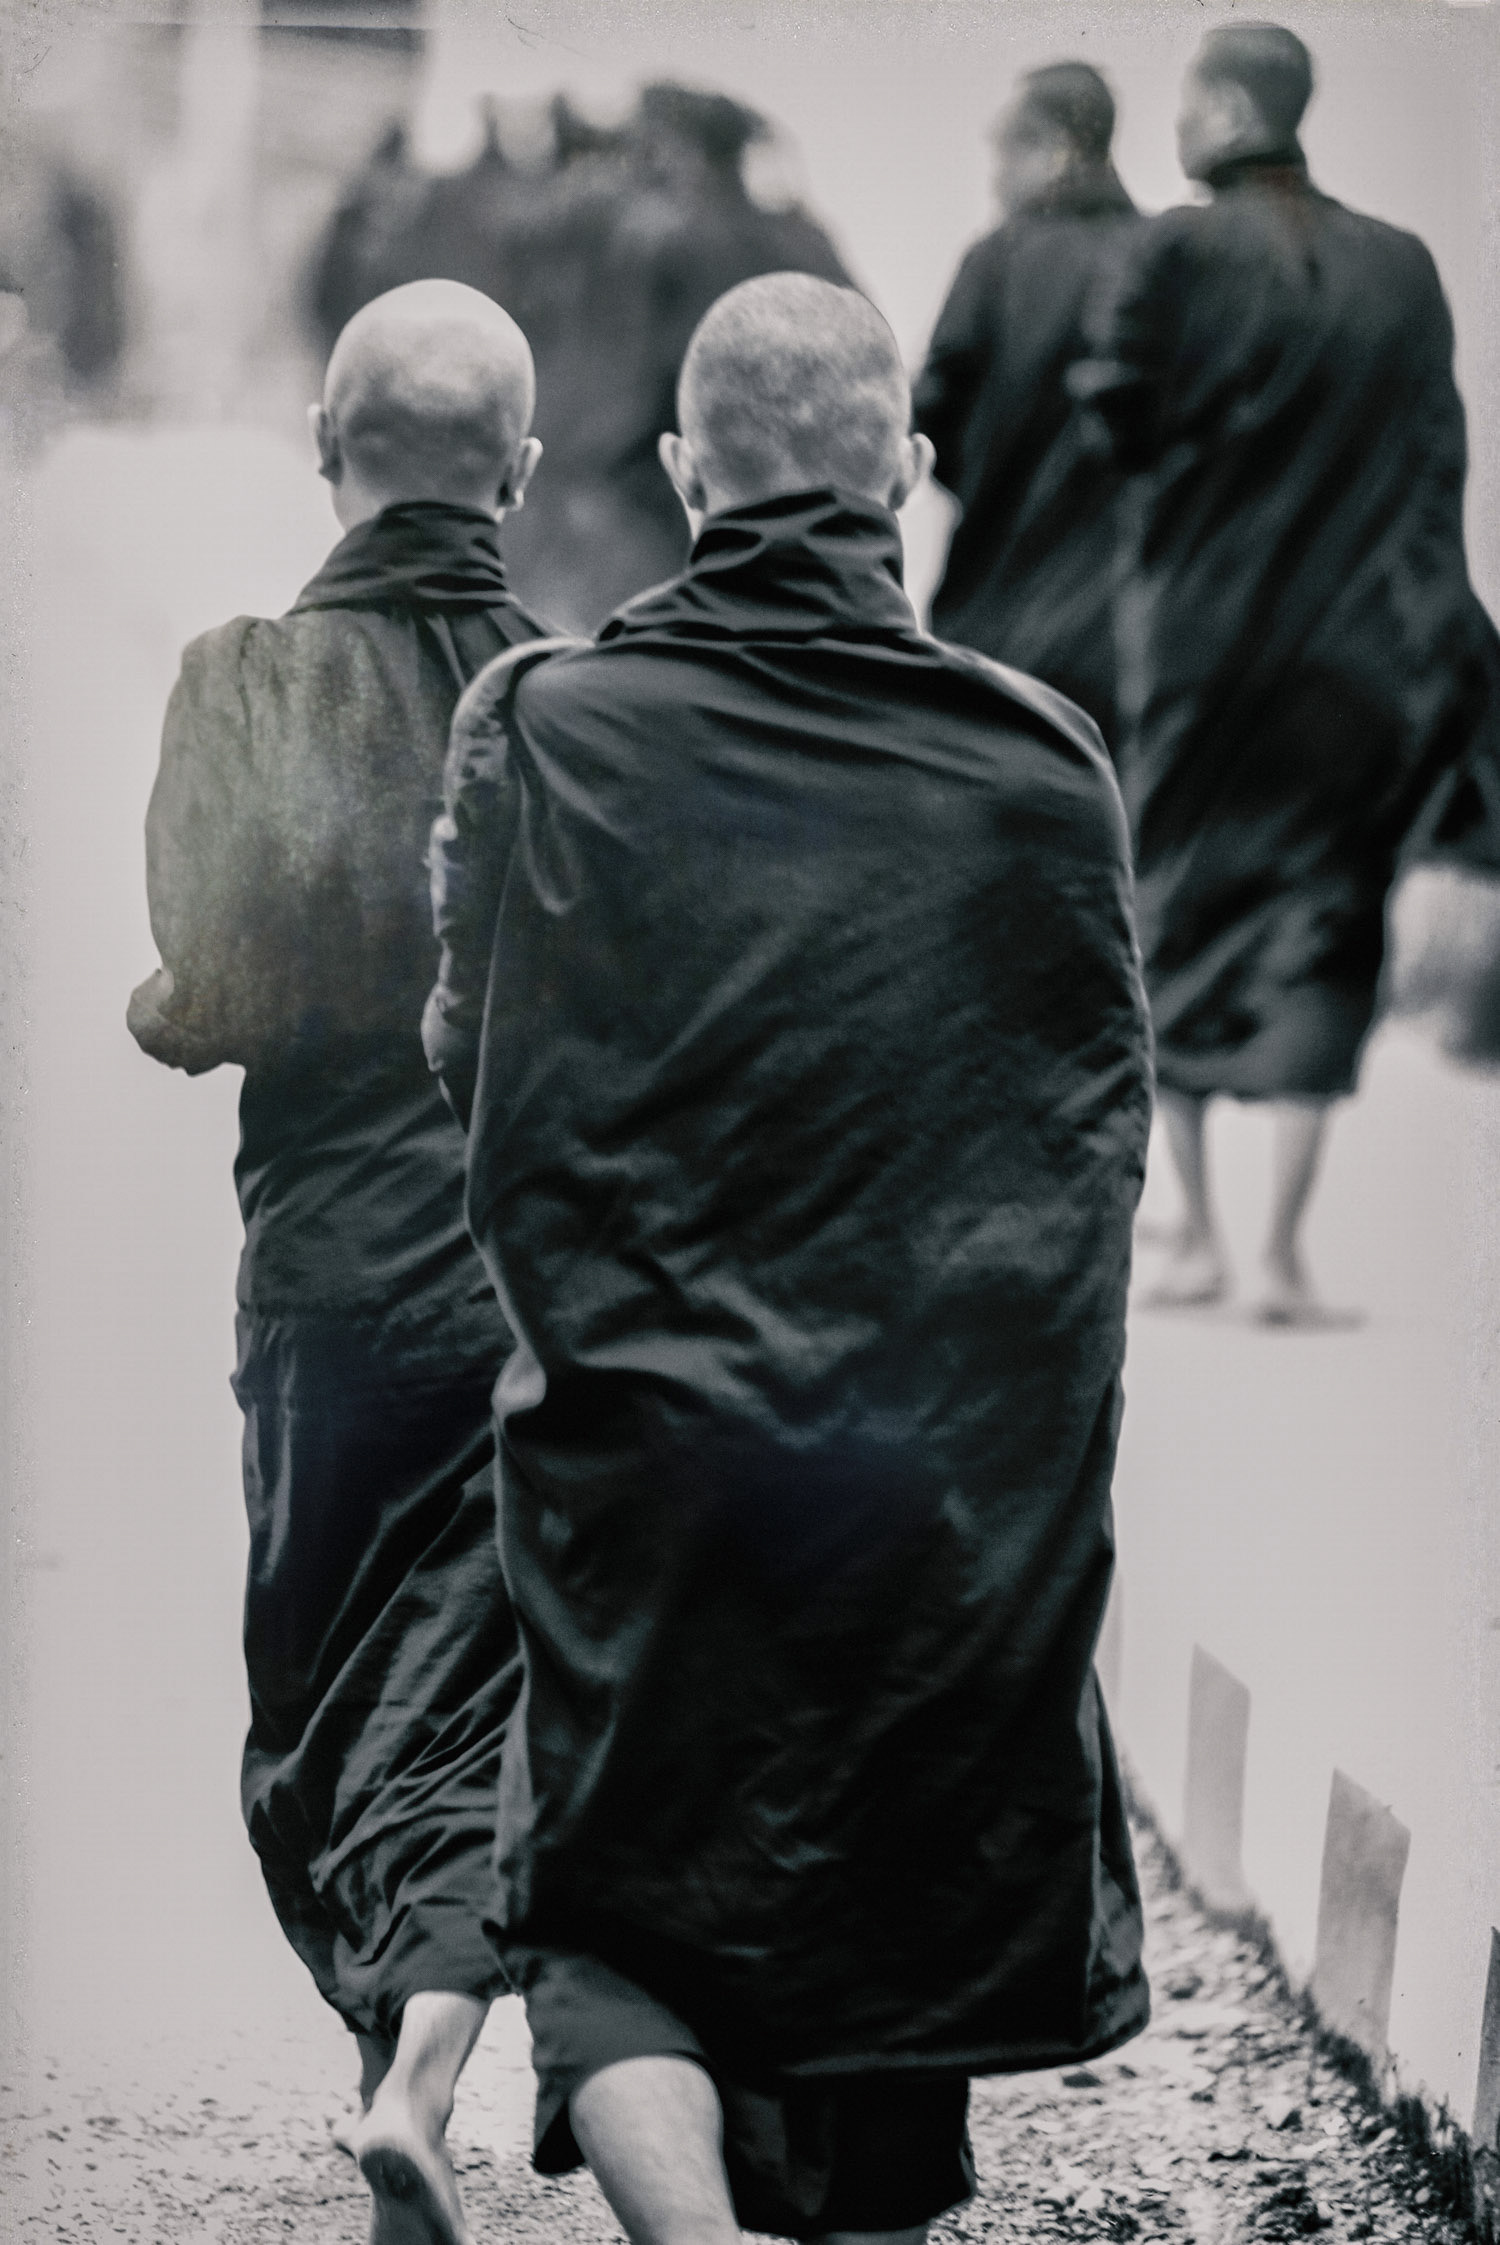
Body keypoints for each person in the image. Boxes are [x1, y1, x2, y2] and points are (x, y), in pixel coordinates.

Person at [423, 270, 1153, 2245]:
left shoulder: (551, 725)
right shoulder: (1041, 763)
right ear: (903, 471)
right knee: (887, 1938)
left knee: (610, 1903)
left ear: (684, 475)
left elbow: (465, 1058)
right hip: (930, 1473)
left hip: (643, 1435)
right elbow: (1093, 1133)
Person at [127, 278, 548, 2245]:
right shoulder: (573, 702)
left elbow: (210, 991)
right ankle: (429, 2061)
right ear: (518, 475)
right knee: (481, 1667)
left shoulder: (246, 687)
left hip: (323, 1276)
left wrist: (163, 1008)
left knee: (320, 1673)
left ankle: (385, 2057)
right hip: (529, 1278)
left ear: (324, 445)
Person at [1074, 22, 1500, 1320]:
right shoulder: (1401, 266)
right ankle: (1280, 1254)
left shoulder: (1170, 252)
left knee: (1180, 905)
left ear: (1224, 108)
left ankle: (1200, 1236)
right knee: (1329, 923)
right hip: (1354, 664)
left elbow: (1113, 415)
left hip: (1199, 652)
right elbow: (1437, 464)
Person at [912, 63, 1141, 743]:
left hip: (997, 618)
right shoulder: (1159, 257)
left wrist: (988, 482)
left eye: (1007, 146)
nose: (995, 173)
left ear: (1057, 148)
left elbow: (932, 415)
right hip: (1125, 637)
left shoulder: (998, 261)